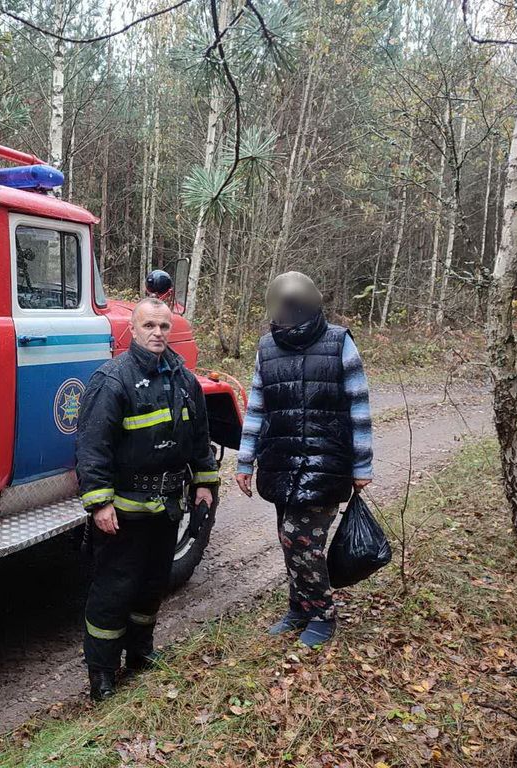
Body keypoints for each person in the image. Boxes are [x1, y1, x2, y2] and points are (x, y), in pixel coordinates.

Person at [76, 297, 219, 701]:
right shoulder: (113, 380)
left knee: (152, 585)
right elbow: (92, 448)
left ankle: (139, 654)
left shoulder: (185, 380)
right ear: (132, 331)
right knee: (113, 590)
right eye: (149, 326)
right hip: (124, 511)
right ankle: (102, 674)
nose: (157, 333)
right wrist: (100, 503)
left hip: (167, 506)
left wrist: (205, 482)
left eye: (163, 326)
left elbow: (199, 438)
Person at [234, 271, 373, 647]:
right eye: (284, 305)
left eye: (296, 305)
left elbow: (359, 408)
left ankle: (323, 614)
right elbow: (257, 409)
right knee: (288, 539)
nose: (289, 312)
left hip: (326, 463)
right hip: (281, 463)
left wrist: (362, 466)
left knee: (301, 541)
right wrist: (245, 461)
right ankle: (299, 607)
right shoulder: (267, 347)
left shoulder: (339, 342)